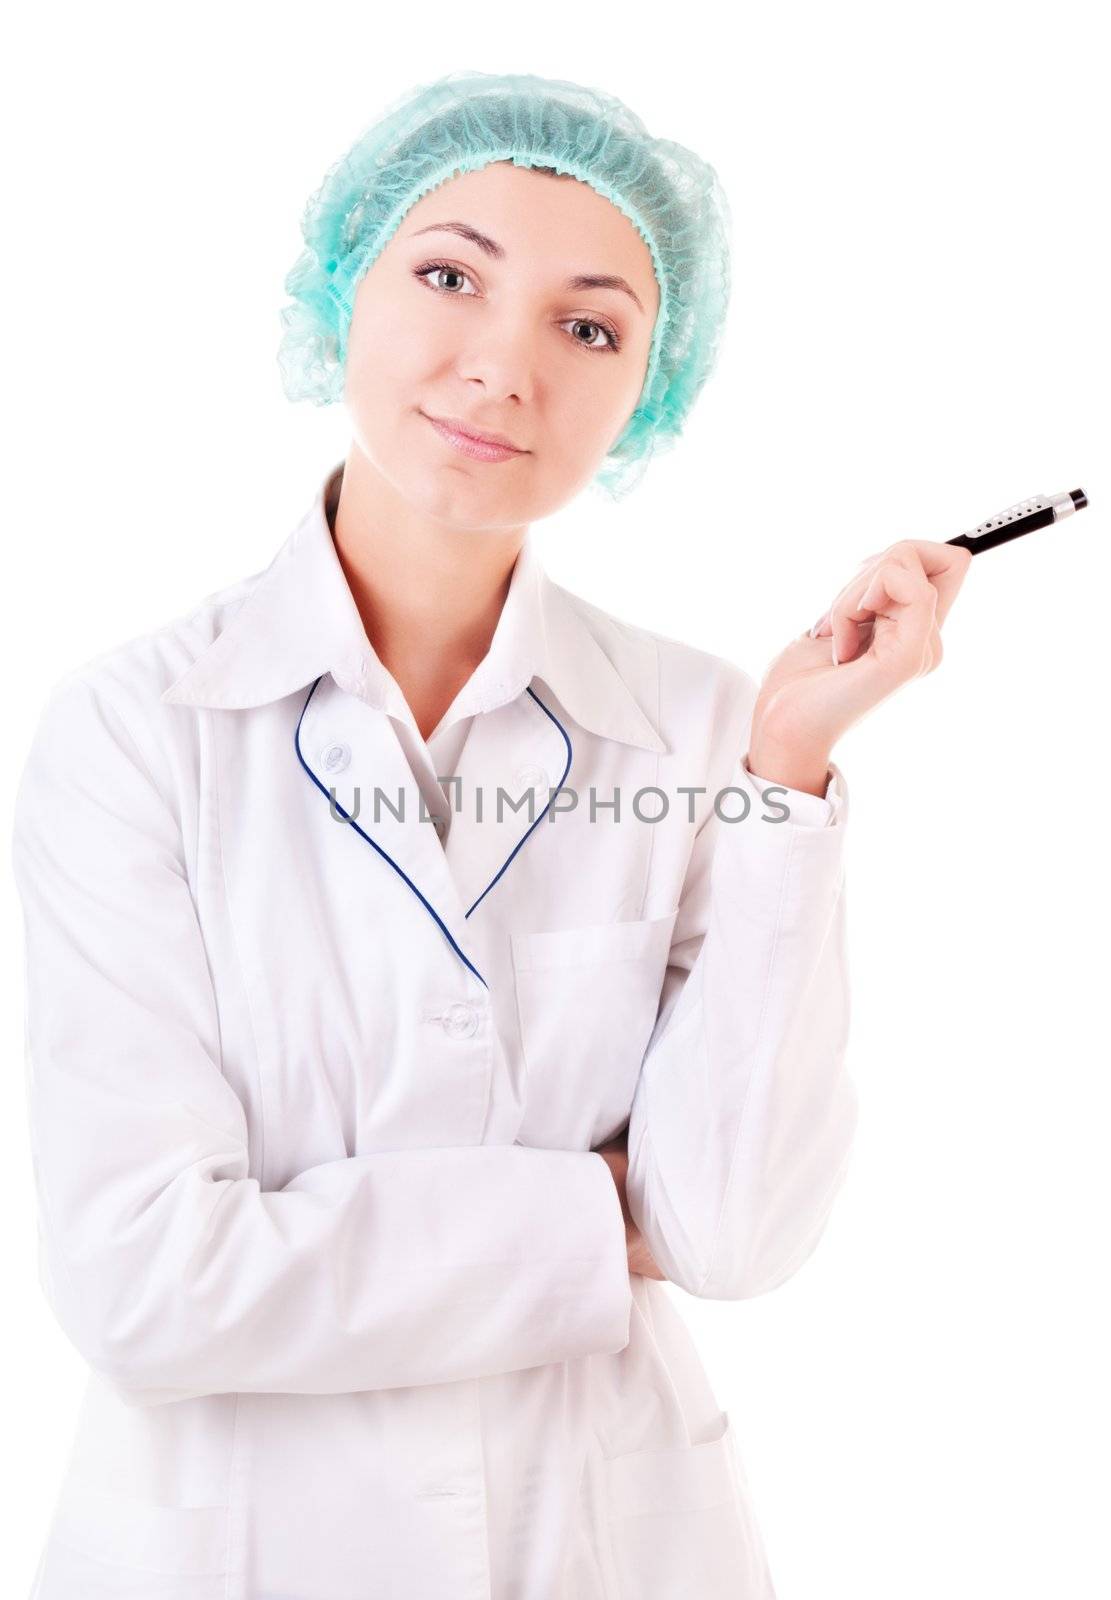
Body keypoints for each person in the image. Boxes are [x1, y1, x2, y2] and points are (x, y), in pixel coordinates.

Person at [10, 70, 971, 1600]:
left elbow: (733, 1231)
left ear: (648, 393)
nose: (502, 367)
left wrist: (784, 779)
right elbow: (141, 1280)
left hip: (607, 1537)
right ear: (345, 293)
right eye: (449, 275)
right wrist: (597, 1204)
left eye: (588, 326)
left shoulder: (705, 725)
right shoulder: (138, 730)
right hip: (236, 1543)